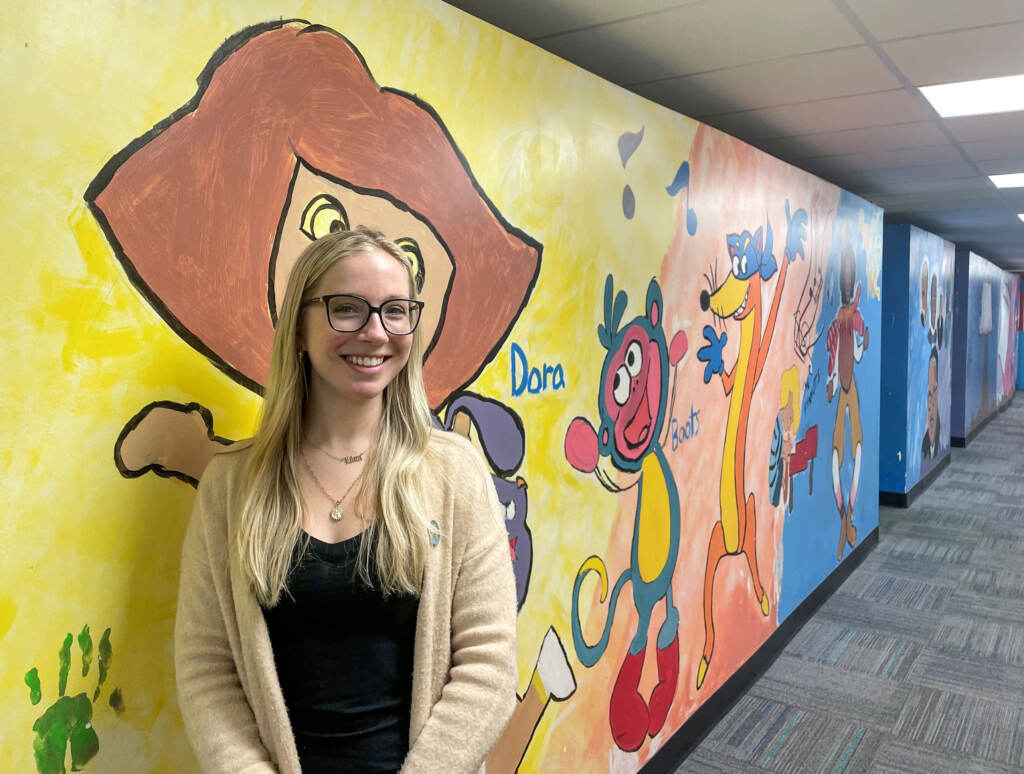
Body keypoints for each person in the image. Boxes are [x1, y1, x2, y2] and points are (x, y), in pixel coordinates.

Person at [174, 227, 518, 773]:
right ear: (299, 332)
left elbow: (488, 665)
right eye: (347, 309)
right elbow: (206, 669)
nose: (376, 332)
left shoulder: (453, 473)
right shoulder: (231, 486)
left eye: (396, 311)